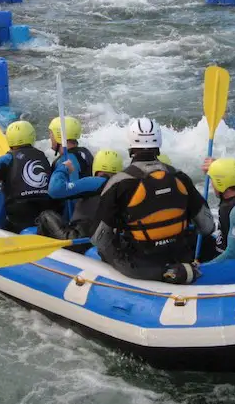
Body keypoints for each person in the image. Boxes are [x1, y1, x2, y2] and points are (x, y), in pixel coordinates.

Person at [91, 118, 215, 284]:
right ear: (159, 142)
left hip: (140, 264)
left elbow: (98, 238)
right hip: (180, 257)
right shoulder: (180, 177)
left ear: (130, 144)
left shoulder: (119, 183)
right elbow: (207, 227)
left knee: (103, 249)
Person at [0, 120, 57, 233]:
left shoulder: (4, 160)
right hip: (46, 209)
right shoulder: (43, 157)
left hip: (20, 213)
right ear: (32, 137)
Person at [37, 149, 123, 241]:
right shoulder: (122, 186)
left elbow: (54, 191)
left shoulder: (95, 182)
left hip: (80, 240)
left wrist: (64, 169)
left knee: (45, 216)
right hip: (109, 238)